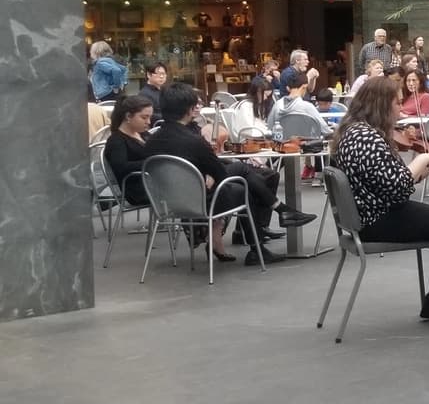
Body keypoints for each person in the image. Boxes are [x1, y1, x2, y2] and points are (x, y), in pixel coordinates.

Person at [329, 76, 429, 324]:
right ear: (381, 104)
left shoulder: (355, 132)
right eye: (398, 102)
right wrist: (422, 159)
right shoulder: (365, 138)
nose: (401, 109)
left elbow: (395, 182)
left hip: (371, 214)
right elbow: (399, 186)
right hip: (379, 219)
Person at [147, 83, 307, 264]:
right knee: (243, 186)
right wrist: (208, 175)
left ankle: (277, 217)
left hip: (165, 202)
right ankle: (262, 241)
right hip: (200, 201)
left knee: (241, 175)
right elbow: (220, 174)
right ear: (190, 109)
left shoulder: (152, 141)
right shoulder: (195, 142)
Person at [103, 95, 156, 209]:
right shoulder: (117, 141)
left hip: (150, 182)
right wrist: (151, 162)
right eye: (144, 117)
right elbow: (121, 167)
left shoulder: (143, 134)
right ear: (128, 116)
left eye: (150, 117)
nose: (148, 122)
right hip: (136, 190)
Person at [269, 69, 328, 133]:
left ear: (288, 88)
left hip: (282, 139)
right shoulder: (307, 107)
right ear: (304, 87)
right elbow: (325, 129)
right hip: (303, 139)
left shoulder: (277, 105)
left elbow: (270, 127)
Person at [138, 60, 169, 125]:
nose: (161, 76)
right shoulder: (144, 94)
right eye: (158, 74)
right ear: (149, 75)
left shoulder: (165, 90)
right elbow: (149, 115)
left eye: (163, 74)